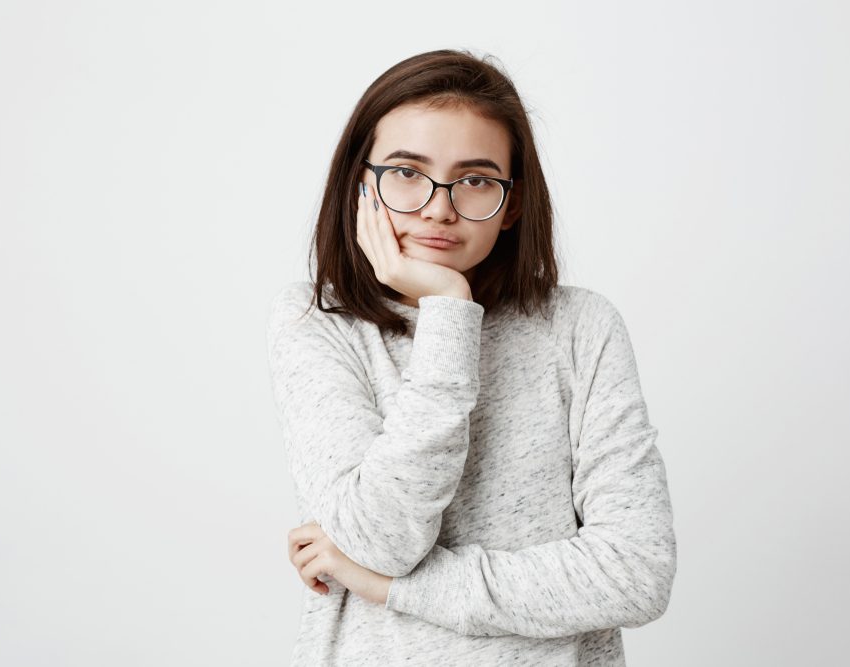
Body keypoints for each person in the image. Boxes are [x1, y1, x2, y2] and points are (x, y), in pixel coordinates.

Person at [265, 48, 677, 666]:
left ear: (512, 204)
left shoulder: (579, 327)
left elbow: (636, 574)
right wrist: (450, 315)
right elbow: (382, 539)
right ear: (362, 184)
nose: (438, 207)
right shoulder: (318, 324)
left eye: (476, 180)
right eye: (407, 171)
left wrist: (394, 589)